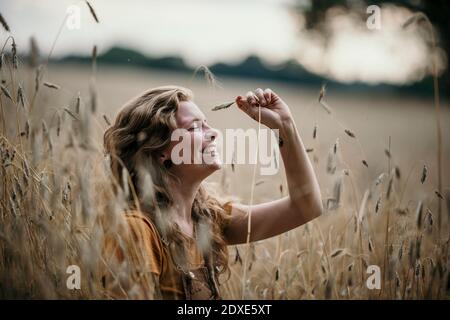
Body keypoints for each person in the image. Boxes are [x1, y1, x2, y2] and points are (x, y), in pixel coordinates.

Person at [102, 85, 323, 299]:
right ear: (160, 151)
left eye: (207, 124)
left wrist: (285, 125)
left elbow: (306, 206)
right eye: (195, 127)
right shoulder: (137, 230)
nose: (214, 133)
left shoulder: (208, 219)